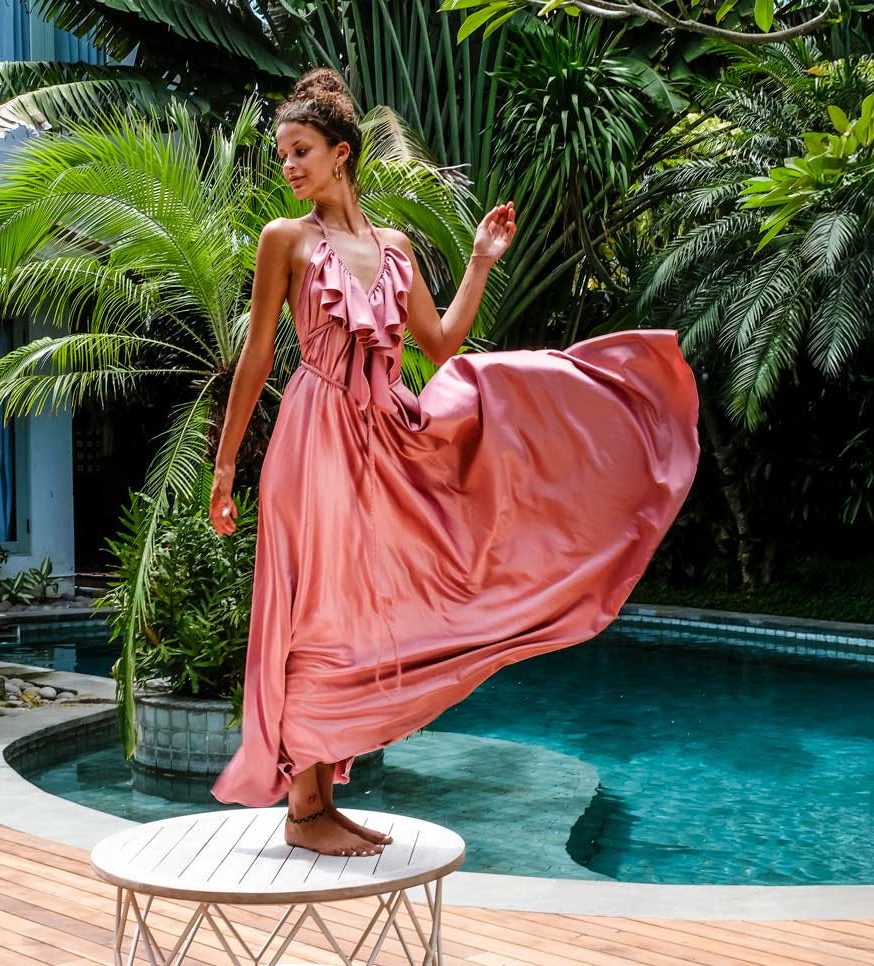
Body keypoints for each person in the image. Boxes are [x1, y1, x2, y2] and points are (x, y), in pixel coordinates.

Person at [208, 68, 700, 859]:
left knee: (375, 606)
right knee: (317, 612)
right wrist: (225, 468)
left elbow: (439, 349)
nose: (288, 166)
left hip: (388, 437)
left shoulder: (394, 248)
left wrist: (479, 260)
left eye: (300, 151)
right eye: (282, 154)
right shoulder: (285, 240)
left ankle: (321, 794)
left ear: (341, 154)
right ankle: (304, 807)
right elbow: (257, 359)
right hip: (315, 439)